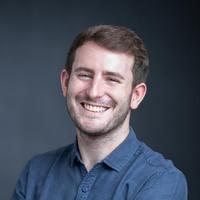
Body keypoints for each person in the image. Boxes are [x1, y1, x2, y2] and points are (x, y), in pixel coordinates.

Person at [12, 25, 188, 200]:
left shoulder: (160, 180)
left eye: (112, 79)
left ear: (136, 96)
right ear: (65, 83)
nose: (94, 92)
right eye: (85, 75)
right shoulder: (35, 173)